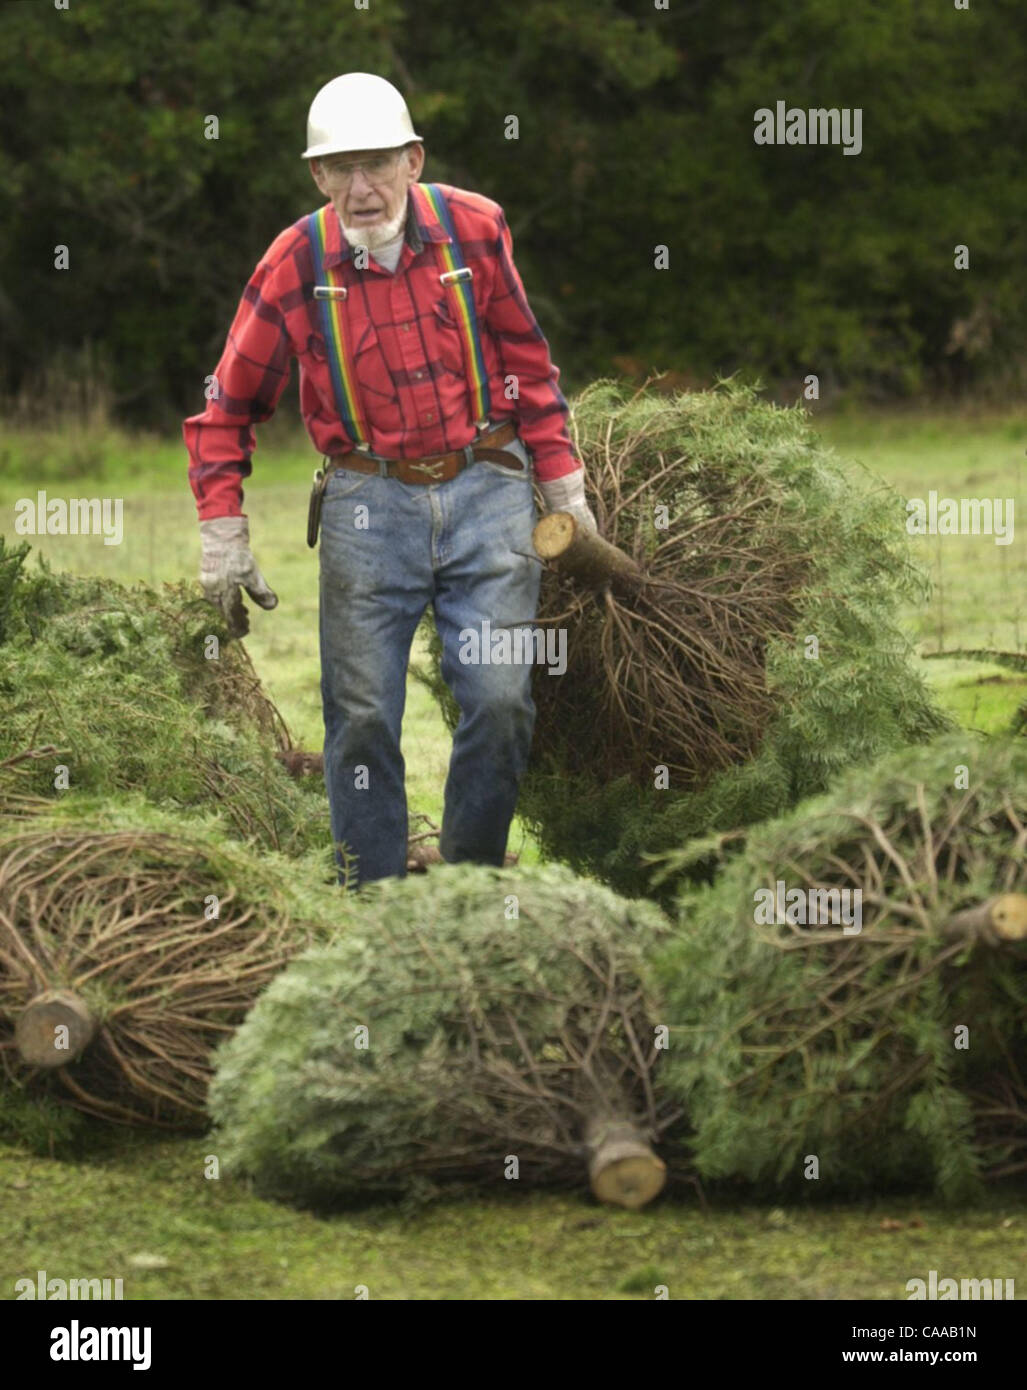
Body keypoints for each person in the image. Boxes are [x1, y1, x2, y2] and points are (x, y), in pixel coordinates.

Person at [184, 72, 597, 887]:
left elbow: (528, 363)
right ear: (317, 175)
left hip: (487, 492)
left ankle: (468, 887)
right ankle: (368, 898)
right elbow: (226, 406)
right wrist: (221, 533)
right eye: (340, 169)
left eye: (377, 163)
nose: (361, 188)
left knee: (500, 700)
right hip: (365, 506)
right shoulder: (294, 263)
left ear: (413, 159)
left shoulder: (473, 230)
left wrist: (564, 488)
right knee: (363, 716)